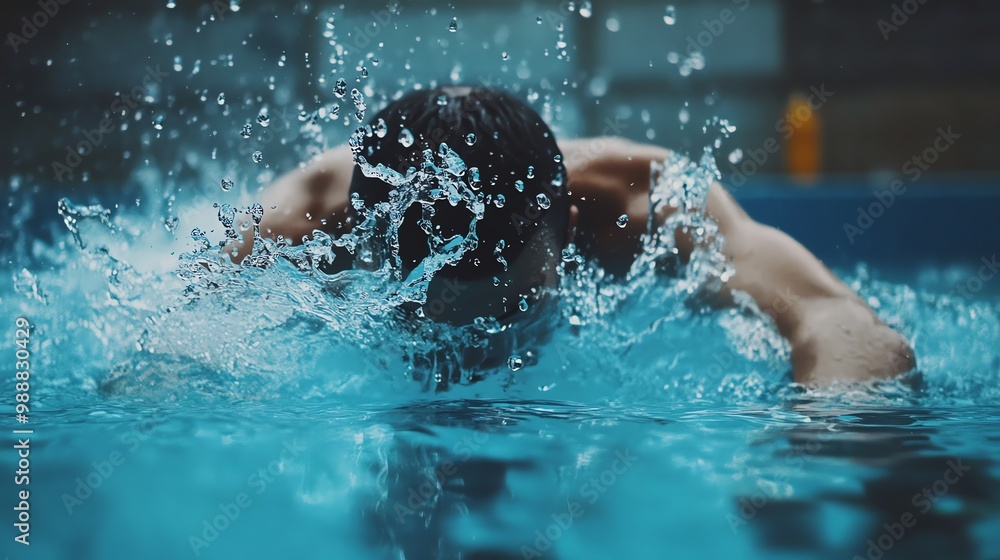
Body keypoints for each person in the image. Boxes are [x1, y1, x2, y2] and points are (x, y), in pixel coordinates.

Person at [231, 86, 916, 386]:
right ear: (372, 243)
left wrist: (818, 445)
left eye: (514, 311)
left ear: (571, 229)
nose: (483, 359)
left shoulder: (643, 202)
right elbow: (171, 348)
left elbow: (841, 321)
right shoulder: (302, 225)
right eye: (430, 319)